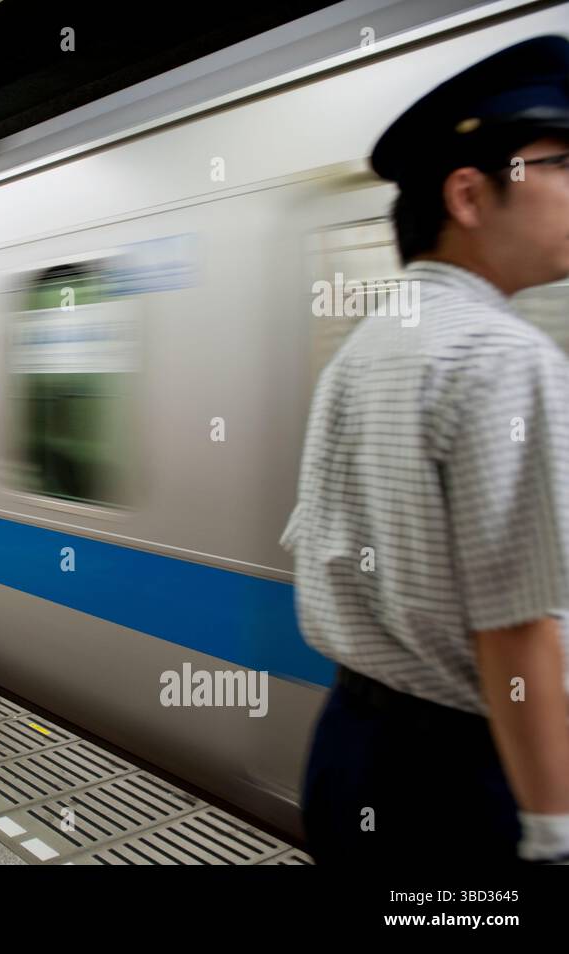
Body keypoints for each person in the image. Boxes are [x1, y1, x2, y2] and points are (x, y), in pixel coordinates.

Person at [283, 35, 569, 864]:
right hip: (462, 788)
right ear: (471, 196)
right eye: (555, 164)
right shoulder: (501, 357)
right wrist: (552, 833)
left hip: (353, 757)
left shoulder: (371, 343)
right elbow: (515, 631)